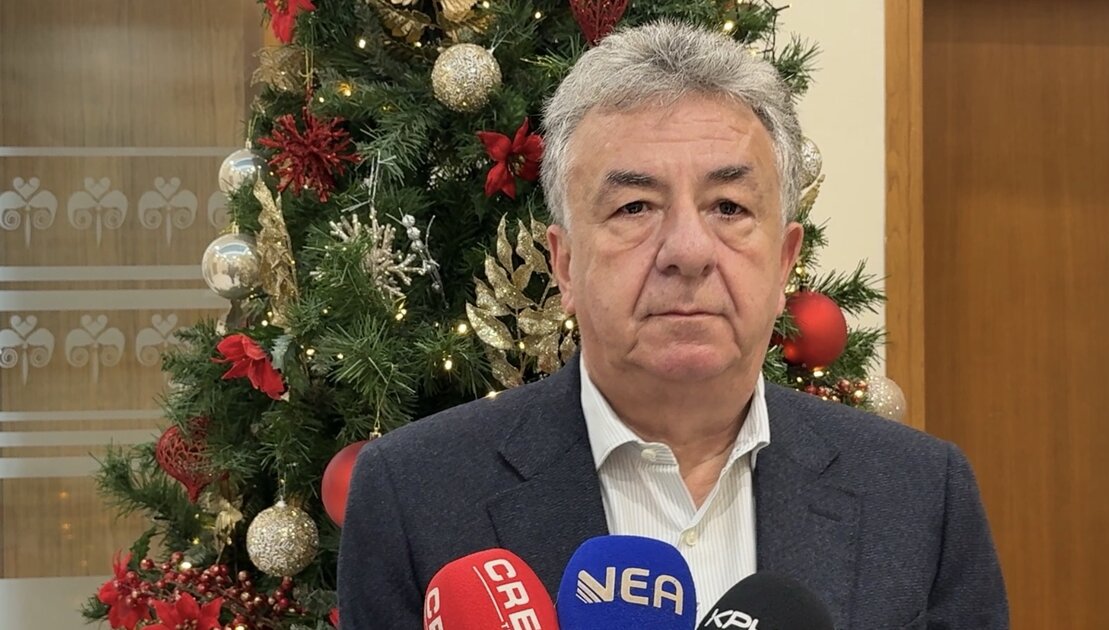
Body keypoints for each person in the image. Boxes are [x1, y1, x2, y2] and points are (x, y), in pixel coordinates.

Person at [338, 21, 1008, 629]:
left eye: (728, 206)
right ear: (565, 265)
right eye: (635, 206)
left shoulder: (921, 494)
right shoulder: (414, 493)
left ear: (784, 262)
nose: (688, 251)